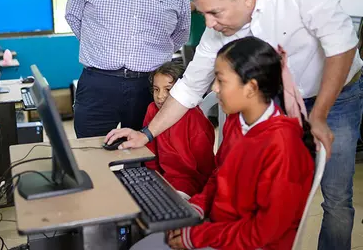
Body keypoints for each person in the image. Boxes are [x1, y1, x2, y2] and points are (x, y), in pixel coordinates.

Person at [106, 0, 363, 250]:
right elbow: (189, 88)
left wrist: (319, 115)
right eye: (204, 15)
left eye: (214, 13)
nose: (209, 24)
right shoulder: (224, 49)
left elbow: (341, 46)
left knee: (336, 197)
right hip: (278, 95)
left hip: (339, 91)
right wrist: (147, 134)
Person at [131, 37, 315, 250]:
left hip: (247, 242)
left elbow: (263, 232)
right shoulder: (236, 122)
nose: (215, 89)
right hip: (219, 227)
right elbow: (219, 176)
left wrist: (197, 237)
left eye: (221, 80)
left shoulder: (284, 146)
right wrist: (197, 207)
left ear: (251, 88)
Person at [65, 0, 190, 138]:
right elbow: (73, 14)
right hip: (97, 84)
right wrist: (99, 46)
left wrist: (151, 53)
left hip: (150, 86)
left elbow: (181, 31)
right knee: (92, 155)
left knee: (146, 159)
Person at [144, 61, 215, 199]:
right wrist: (151, 179)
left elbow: (205, 167)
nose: (160, 96)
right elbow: (149, 152)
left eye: (168, 90)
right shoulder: (152, 110)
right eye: (156, 89)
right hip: (161, 178)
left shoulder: (194, 118)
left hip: (190, 183)